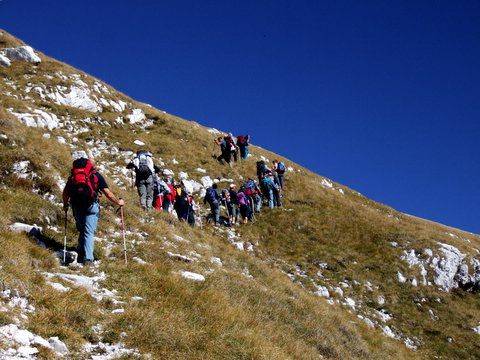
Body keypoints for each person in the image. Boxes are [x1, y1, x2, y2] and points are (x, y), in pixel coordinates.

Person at [62, 157, 124, 265]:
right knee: (89, 232)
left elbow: (65, 193)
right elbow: (108, 193)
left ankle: (80, 252)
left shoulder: (73, 177)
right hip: (91, 206)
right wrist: (118, 202)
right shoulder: (96, 176)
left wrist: (65, 204)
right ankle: (88, 259)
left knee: (82, 230)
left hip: (76, 205)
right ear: (93, 166)